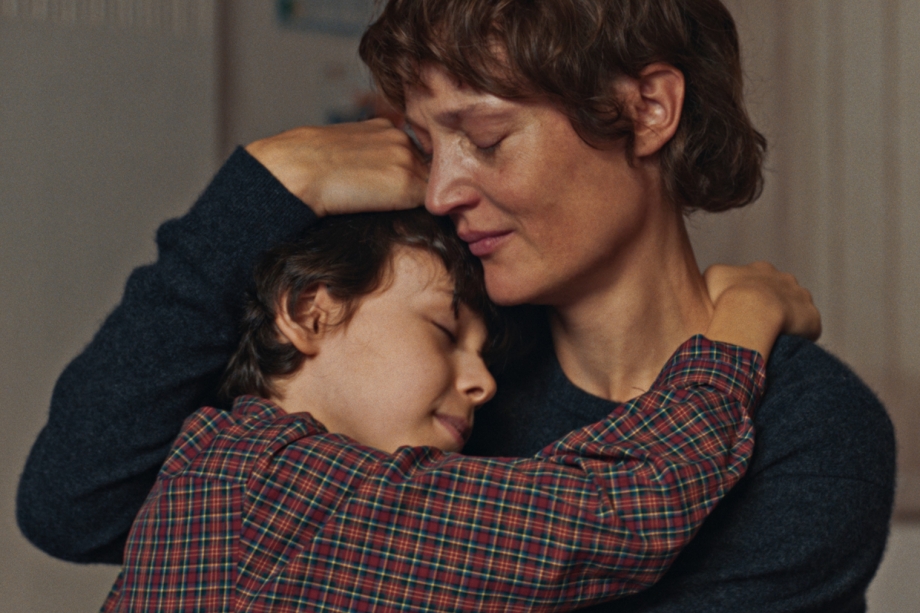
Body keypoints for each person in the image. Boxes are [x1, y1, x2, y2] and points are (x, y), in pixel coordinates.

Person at [17, 0, 894, 611]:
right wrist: (272, 183)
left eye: (485, 139)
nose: (440, 191)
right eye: (425, 145)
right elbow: (76, 500)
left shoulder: (808, 429)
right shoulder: (413, 389)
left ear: (648, 108)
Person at [102, 208, 804, 611]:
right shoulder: (275, 485)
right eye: (443, 329)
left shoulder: (224, 473)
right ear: (310, 313)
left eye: (484, 355)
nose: (484, 383)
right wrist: (746, 315)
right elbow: (623, 509)